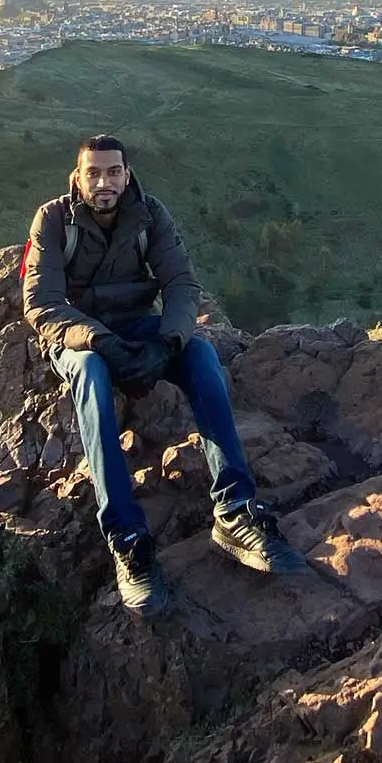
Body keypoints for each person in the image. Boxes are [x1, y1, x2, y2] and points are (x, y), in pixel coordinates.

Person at [22, 134, 306, 614]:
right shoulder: (53, 220)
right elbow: (41, 303)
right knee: (91, 377)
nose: (104, 182)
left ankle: (235, 510)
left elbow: (180, 282)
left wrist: (168, 341)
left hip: (141, 326)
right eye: (93, 172)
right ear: (78, 175)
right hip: (79, 337)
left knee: (201, 356)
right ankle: (127, 538)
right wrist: (97, 340)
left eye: (113, 172)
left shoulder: (150, 213)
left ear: (127, 174)